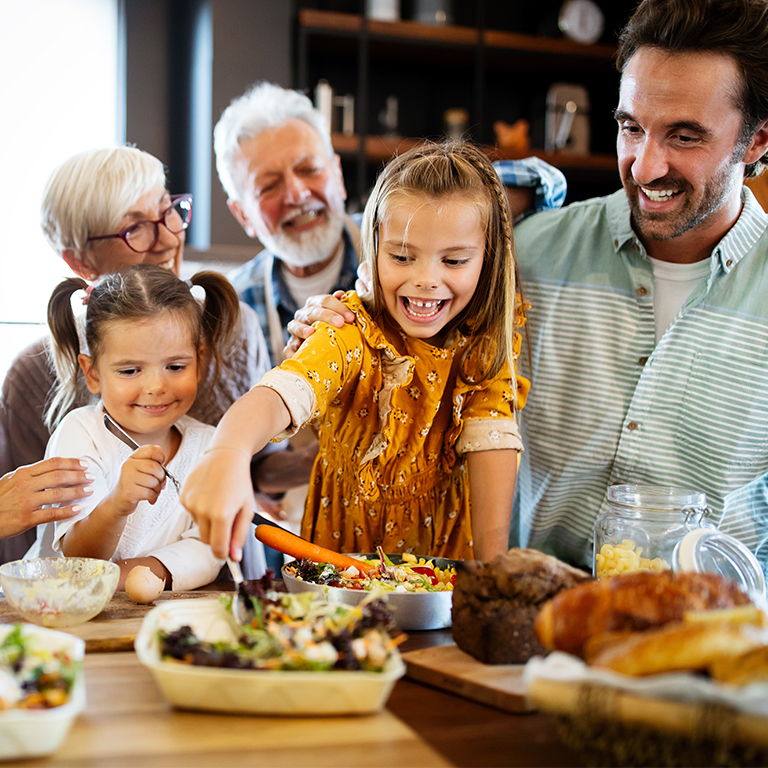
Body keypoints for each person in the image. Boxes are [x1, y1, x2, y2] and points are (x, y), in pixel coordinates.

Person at [288, 0, 768, 576]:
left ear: (759, 141)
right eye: (630, 127)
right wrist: (343, 318)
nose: (643, 166)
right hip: (518, 633)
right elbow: (413, 286)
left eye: (685, 137)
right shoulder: (526, 254)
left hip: (714, 641)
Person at [181, 141, 530, 564]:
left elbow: (489, 439)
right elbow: (284, 391)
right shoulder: (349, 329)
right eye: (402, 257)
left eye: (454, 261)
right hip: (338, 567)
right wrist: (229, 451)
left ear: (487, 260)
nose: (426, 279)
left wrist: (493, 572)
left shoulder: (485, 344)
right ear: (374, 251)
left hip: (442, 572)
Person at [0, 146, 281, 563]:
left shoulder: (233, 330)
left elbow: (261, 464)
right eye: (135, 228)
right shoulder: (32, 375)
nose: (168, 237)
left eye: (169, 213)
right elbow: (35, 531)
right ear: (79, 259)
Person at [26, 265, 265, 589]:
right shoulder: (81, 434)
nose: (155, 386)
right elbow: (78, 558)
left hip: (160, 619)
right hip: (61, 615)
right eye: (130, 371)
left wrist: (143, 575)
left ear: (200, 362)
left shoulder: (212, 447)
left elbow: (207, 551)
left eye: (175, 366)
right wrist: (118, 504)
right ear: (93, 373)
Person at [214, 81, 359, 366]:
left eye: (310, 170)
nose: (297, 194)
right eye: (269, 186)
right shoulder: (233, 310)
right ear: (243, 214)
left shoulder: (400, 252)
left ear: (338, 176)